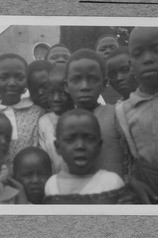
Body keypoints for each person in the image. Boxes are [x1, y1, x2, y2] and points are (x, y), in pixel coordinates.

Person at [116, 27, 158, 204]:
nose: (148, 59)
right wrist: (132, 182)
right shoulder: (123, 111)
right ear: (131, 64)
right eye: (138, 54)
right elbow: (125, 161)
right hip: (149, 190)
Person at [64, 49, 124, 178]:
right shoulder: (63, 122)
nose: (84, 86)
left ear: (103, 84)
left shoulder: (116, 114)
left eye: (92, 79)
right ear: (66, 86)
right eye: (76, 80)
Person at [44, 109, 125, 204]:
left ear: (99, 146)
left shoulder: (111, 183)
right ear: (57, 147)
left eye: (89, 139)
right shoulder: (52, 185)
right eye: (70, 140)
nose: (80, 146)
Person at [0, 53, 45, 174]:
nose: (12, 83)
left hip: (33, 179)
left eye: (19, 77)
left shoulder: (38, 112)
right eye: (4, 77)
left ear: (27, 82)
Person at [38, 64, 74, 173]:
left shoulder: (84, 117)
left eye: (62, 93)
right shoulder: (44, 122)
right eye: (50, 93)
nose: (56, 99)